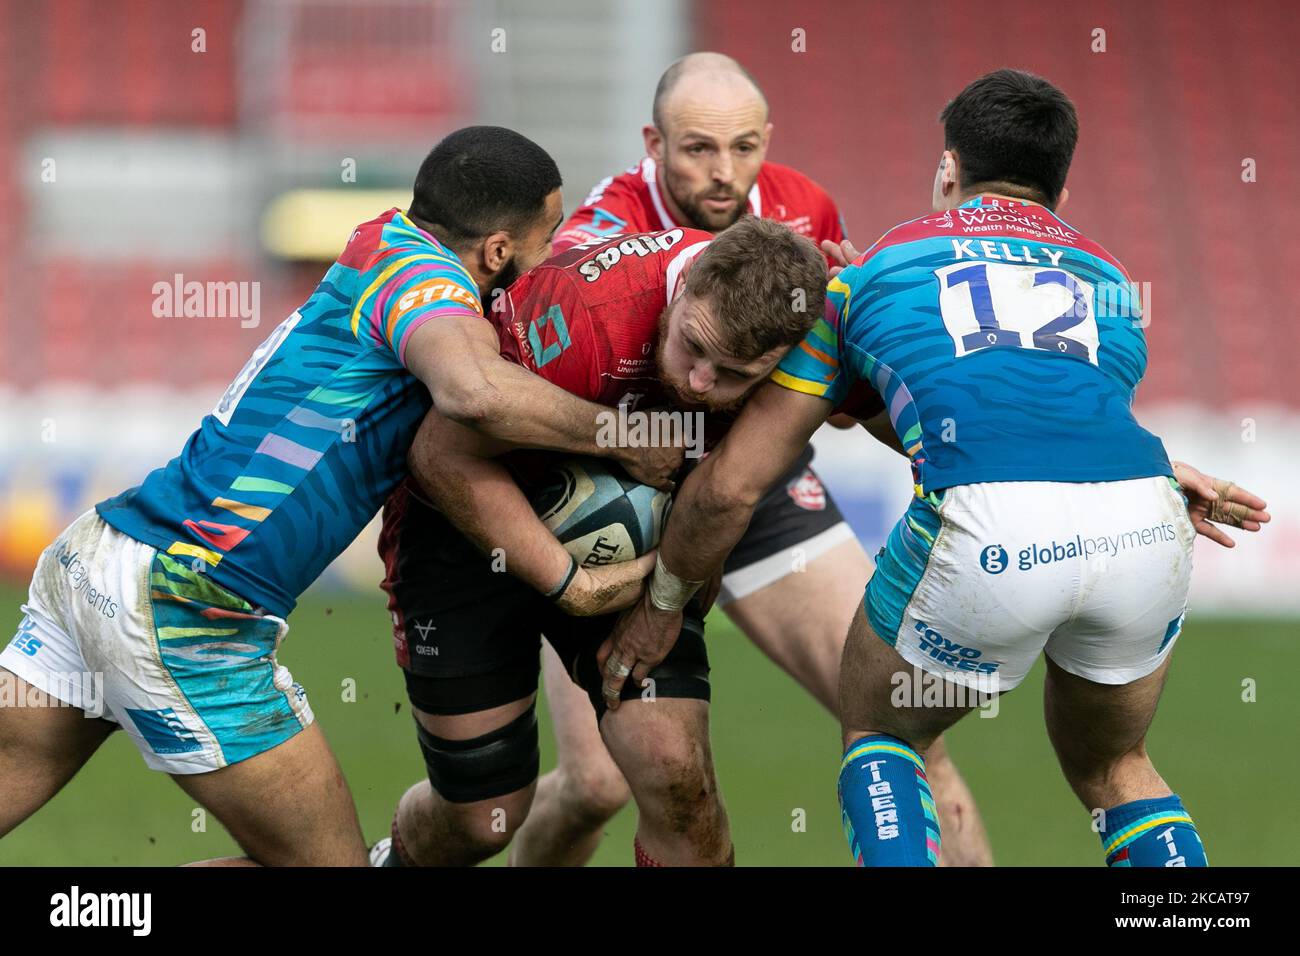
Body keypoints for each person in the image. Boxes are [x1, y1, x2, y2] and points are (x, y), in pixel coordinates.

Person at [599, 70, 1271, 867]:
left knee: (883, 732)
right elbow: (1065, 407)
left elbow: (733, 486)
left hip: (996, 531)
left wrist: (664, 602)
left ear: (948, 168)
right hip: (1147, 522)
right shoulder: (1111, 280)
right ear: (1060, 185)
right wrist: (1161, 474)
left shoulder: (872, 273)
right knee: (1116, 766)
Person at [0, 126, 677, 866]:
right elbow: (475, 392)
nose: (551, 258)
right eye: (547, 238)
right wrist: (621, 431)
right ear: (497, 252)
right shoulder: (427, 285)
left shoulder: (378, 241)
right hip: (188, 604)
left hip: (100, 557)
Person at [519, 49, 991, 867]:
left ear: (767, 138)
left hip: (759, 485)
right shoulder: (603, 230)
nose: (724, 171)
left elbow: (845, 396)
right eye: (698, 148)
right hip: (621, 498)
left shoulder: (807, 210)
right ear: (653, 143)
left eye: (744, 146)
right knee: (596, 785)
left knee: (902, 725)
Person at [372, 217, 829, 867]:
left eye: (732, 375)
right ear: (685, 289)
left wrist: (664, 604)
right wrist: (568, 582)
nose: (701, 383)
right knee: (482, 820)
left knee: (678, 781)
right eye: (693, 347)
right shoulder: (582, 314)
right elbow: (439, 452)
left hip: (637, 544)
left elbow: (742, 484)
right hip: (462, 529)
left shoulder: (807, 333)